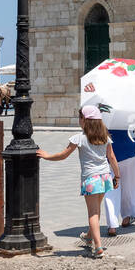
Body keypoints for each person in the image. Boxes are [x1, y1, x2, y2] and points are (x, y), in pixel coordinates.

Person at [37, 105, 120, 258]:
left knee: (93, 213)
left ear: (85, 120)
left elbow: (63, 155)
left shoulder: (79, 138)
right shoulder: (105, 138)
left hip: (90, 179)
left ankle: (98, 247)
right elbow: (112, 158)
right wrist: (117, 176)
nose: (79, 120)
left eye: (80, 117)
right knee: (97, 209)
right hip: (105, 177)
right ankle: (89, 237)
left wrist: (46, 156)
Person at [105, 127, 135, 234]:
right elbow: (132, 133)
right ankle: (126, 217)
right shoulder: (128, 113)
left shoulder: (104, 115)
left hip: (110, 153)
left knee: (110, 190)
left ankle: (112, 225)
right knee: (129, 186)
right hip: (129, 150)